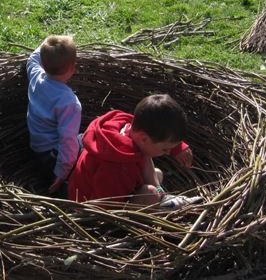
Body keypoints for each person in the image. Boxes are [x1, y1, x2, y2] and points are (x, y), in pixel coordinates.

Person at [68, 94, 202, 208]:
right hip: (97, 205)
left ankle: (164, 199)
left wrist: (177, 147)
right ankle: (165, 205)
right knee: (149, 193)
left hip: (119, 187)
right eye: (165, 149)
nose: (168, 153)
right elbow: (104, 208)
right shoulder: (115, 168)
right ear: (144, 138)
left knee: (157, 174)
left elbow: (156, 125)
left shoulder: (128, 128)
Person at [27, 35, 82, 195]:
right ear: (72, 68)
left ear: (43, 64)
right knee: (85, 140)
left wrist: (48, 45)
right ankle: (65, 189)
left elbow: (32, 58)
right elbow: (67, 141)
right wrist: (61, 173)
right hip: (53, 159)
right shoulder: (69, 103)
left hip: (36, 151)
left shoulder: (36, 76)